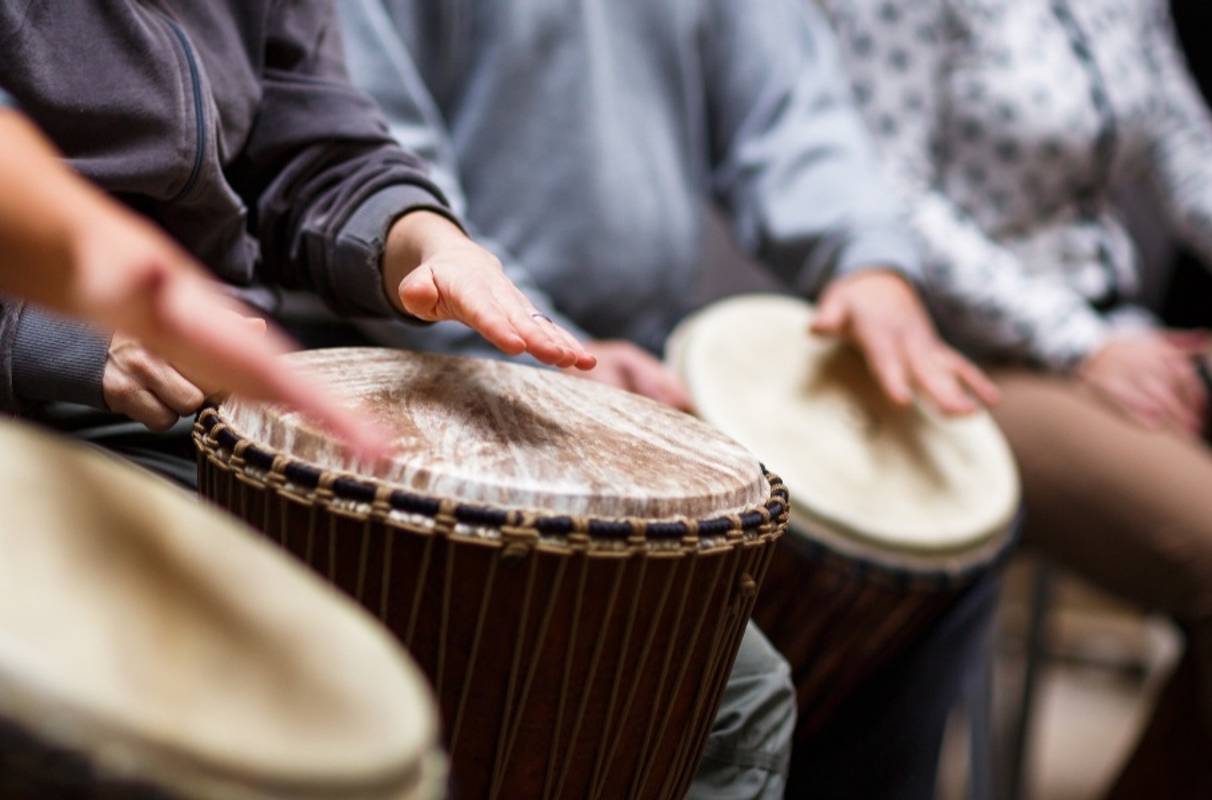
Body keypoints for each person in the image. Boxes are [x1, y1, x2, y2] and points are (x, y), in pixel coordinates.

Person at [327, 1, 1000, 797]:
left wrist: (867, 258)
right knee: (732, 684)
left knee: (933, 538)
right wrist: (538, 344)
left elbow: (787, 110)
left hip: (641, 358)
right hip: (429, 364)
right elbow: (372, 159)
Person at [0, 0, 593, 488]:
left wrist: (422, 239)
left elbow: (306, 137)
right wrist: (68, 335)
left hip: (217, 403)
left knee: (715, 682)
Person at [818, 0, 1212, 796]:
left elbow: (1193, 161)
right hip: (965, 363)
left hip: (1115, 340)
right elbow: (887, 193)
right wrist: (1079, 340)